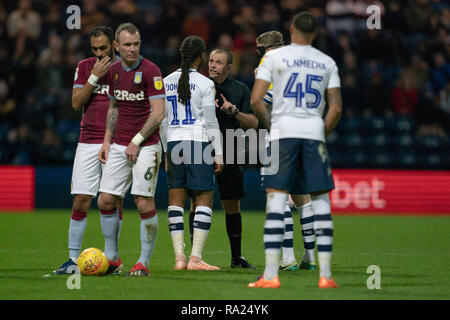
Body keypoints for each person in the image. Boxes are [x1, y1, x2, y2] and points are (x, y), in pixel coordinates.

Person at [249, 12, 342, 289]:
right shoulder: (327, 62)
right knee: (317, 202)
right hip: (313, 134)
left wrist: (270, 127)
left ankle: (274, 270)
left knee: (278, 200)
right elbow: (336, 107)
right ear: (315, 33)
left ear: (292, 30)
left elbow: (256, 101)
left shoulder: (273, 60)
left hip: (283, 134)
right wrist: (319, 133)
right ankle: (321, 271)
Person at [53, 26, 126, 275]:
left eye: (103, 48)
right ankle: (73, 261)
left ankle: (112, 260)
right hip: (87, 140)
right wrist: (93, 77)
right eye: (94, 49)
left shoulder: (127, 68)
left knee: (111, 201)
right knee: (81, 200)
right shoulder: (85, 66)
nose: (99, 53)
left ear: (114, 45)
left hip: (117, 142)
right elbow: (75, 103)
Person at [98, 22, 165, 277]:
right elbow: (114, 107)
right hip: (119, 144)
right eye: (127, 44)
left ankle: (143, 263)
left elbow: (158, 113)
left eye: (136, 44)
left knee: (142, 201)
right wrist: (107, 140)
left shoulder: (151, 71)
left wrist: (136, 141)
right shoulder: (113, 71)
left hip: (145, 144)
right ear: (116, 46)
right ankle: (112, 258)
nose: (132, 49)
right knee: (105, 199)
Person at [190, 47, 257, 269]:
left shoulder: (240, 90)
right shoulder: (198, 84)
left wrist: (233, 111)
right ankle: (194, 256)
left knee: (231, 203)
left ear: (230, 67)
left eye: (218, 62)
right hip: (201, 147)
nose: (212, 65)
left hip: (231, 148)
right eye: (210, 61)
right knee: (196, 201)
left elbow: (254, 123)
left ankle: (236, 257)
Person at [160, 35, 224, 271]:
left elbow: (162, 122)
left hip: (175, 144)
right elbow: (210, 121)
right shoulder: (206, 84)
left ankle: (179, 258)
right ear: (202, 56)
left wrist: (167, 151)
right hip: (198, 143)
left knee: (175, 201)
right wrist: (218, 153)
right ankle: (195, 258)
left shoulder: (165, 82)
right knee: (203, 199)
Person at [256, 30, 317, 272]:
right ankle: (310, 257)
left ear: (266, 48)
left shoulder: (269, 61)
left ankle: (288, 257)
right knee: (302, 197)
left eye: (258, 47)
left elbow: (263, 101)